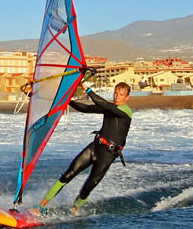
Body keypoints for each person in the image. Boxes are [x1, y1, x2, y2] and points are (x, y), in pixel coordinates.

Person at [31, 81, 132, 215]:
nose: (117, 96)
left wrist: (87, 88)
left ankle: (75, 210)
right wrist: (68, 101)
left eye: (121, 95)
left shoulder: (126, 113)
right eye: (116, 93)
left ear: (127, 98)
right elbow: (85, 108)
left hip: (107, 155)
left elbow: (101, 103)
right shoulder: (110, 107)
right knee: (68, 174)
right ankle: (40, 206)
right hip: (95, 147)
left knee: (87, 188)